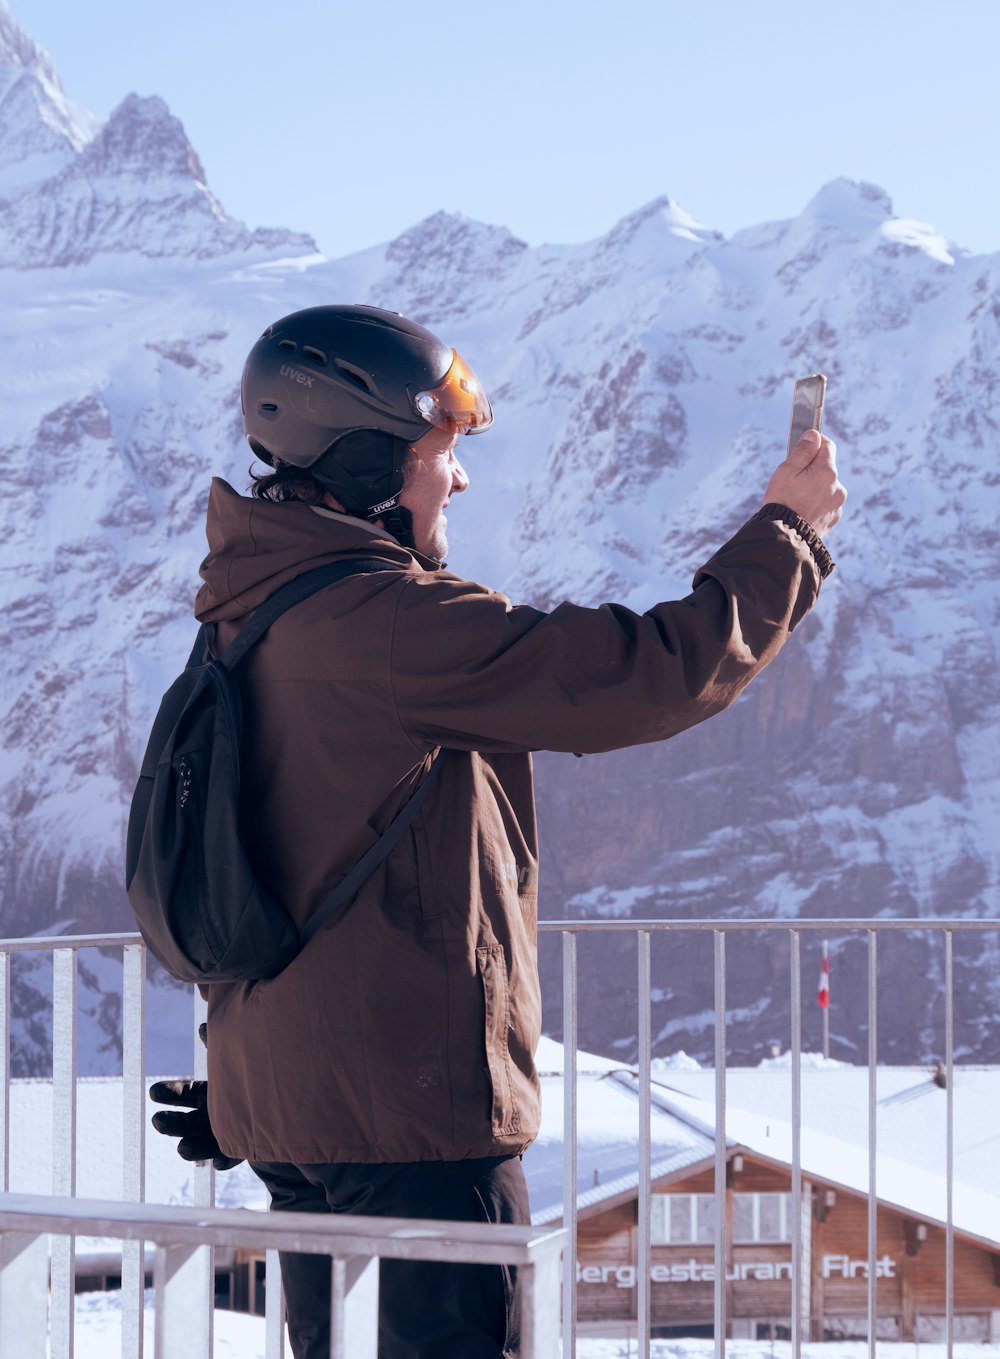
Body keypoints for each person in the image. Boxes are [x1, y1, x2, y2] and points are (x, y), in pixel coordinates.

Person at [151, 303, 845, 1359]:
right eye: (440, 453)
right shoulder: (385, 623)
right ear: (372, 459)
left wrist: (258, 1088)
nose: (459, 479)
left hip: (296, 1110)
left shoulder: (247, 613)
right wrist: (785, 538)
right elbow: (642, 675)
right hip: (412, 1129)